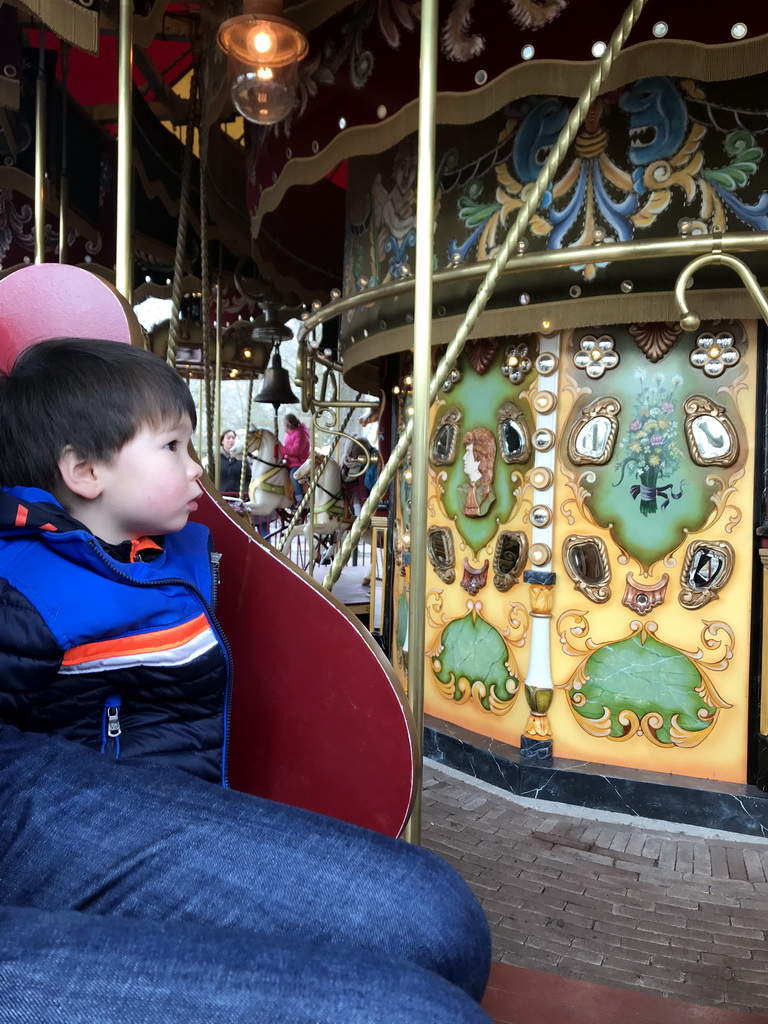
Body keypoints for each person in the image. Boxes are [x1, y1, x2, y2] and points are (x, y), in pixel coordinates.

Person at [0, 338, 491, 1021]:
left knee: (441, 923)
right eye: (172, 449)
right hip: (119, 791)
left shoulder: (158, 557)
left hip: (156, 799)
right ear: (84, 471)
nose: (199, 467)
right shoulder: (31, 591)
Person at [281, 412, 311, 503]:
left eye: (283, 425)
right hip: (290, 461)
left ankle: (300, 498)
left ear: (287, 425)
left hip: (299, 462)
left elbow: (296, 450)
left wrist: (282, 449)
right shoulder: (290, 435)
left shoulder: (301, 434)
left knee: (294, 475)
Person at [219, 427, 251, 496]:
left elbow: (248, 477)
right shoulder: (216, 458)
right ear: (222, 441)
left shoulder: (242, 458)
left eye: (233, 438)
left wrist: (244, 491)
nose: (231, 440)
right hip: (220, 495)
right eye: (228, 438)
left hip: (237, 496)